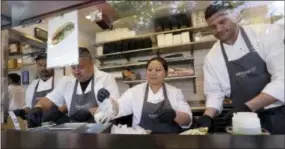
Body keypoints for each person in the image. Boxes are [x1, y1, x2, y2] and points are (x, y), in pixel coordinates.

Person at [196, 4, 285, 134]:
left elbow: (282, 78)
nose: (219, 29)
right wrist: (207, 115)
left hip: (278, 114)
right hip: (243, 120)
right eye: (213, 27)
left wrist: (248, 106)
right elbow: (214, 93)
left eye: (222, 22)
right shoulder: (212, 57)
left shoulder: (265, 35)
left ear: (235, 16)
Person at [95, 57, 192, 134]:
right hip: (142, 140)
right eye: (149, 70)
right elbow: (118, 108)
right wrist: (107, 100)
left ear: (166, 73)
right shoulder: (134, 92)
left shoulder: (175, 92)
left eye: (158, 70)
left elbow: (187, 120)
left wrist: (175, 115)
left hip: (171, 141)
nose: (153, 73)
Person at [26, 47, 120, 127]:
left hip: (101, 132)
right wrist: (38, 108)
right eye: (73, 68)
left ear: (91, 64)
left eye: (81, 67)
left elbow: (114, 111)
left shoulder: (106, 79)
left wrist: (91, 110)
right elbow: (50, 99)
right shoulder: (67, 82)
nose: (76, 72)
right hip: (75, 134)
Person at [13, 53, 66, 126]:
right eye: (40, 65)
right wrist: (22, 111)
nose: (43, 68)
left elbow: (68, 103)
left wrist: (58, 112)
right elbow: (30, 106)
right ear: (37, 66)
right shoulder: (32, 85)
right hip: (36, 125)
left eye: (46, 65)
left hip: (58, 125)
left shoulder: (62, 81)